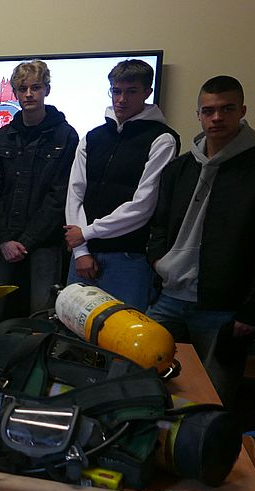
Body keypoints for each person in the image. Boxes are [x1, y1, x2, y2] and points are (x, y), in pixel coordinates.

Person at [147, 75, 255, 405]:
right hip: (169, 297)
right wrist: (156, 258)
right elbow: (159, 223)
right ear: (198, 114)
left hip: (223, 307)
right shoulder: (180, 168)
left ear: (242, 111)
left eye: (227, 109)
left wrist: (253, 309)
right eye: (208, 110)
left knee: (213, 397)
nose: (217, 118)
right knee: (146, 383)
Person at [63, 59, 179, 310]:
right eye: (116, 91)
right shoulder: (92, 137)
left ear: (147, 92)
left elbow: (143, 206)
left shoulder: (162, 139)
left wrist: (87, 232)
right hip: (84, 255)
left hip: (128, 258)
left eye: (131, 91)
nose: (121, 99)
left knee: (125, 330)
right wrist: (81, 250)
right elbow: (75, 193)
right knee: (72, 330)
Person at [0, 60, 79, 323]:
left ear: (46, 89)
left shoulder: (66, 136)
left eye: (35, 87)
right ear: (14, 92)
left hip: (45, 243)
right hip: (4, 242)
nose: (29, 94)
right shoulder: (0, 137)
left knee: (42, 317)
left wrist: (26, 241)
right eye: (22, 88)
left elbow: (60, 195)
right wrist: (4, 240)